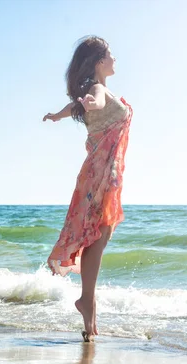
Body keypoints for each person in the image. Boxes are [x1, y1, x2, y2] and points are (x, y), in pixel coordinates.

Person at [42, 36, 133, 342]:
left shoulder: (92, 91)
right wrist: (91, 103)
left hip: (100, 173)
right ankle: (87, 302)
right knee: (99, 234)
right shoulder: (98, 89)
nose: (115, 60)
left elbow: (77, 105)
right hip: (101, 175)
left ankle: (88, 310)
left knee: (99, 234)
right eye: (110, 56)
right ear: (99, 63)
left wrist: (59, 114)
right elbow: (95, 99)